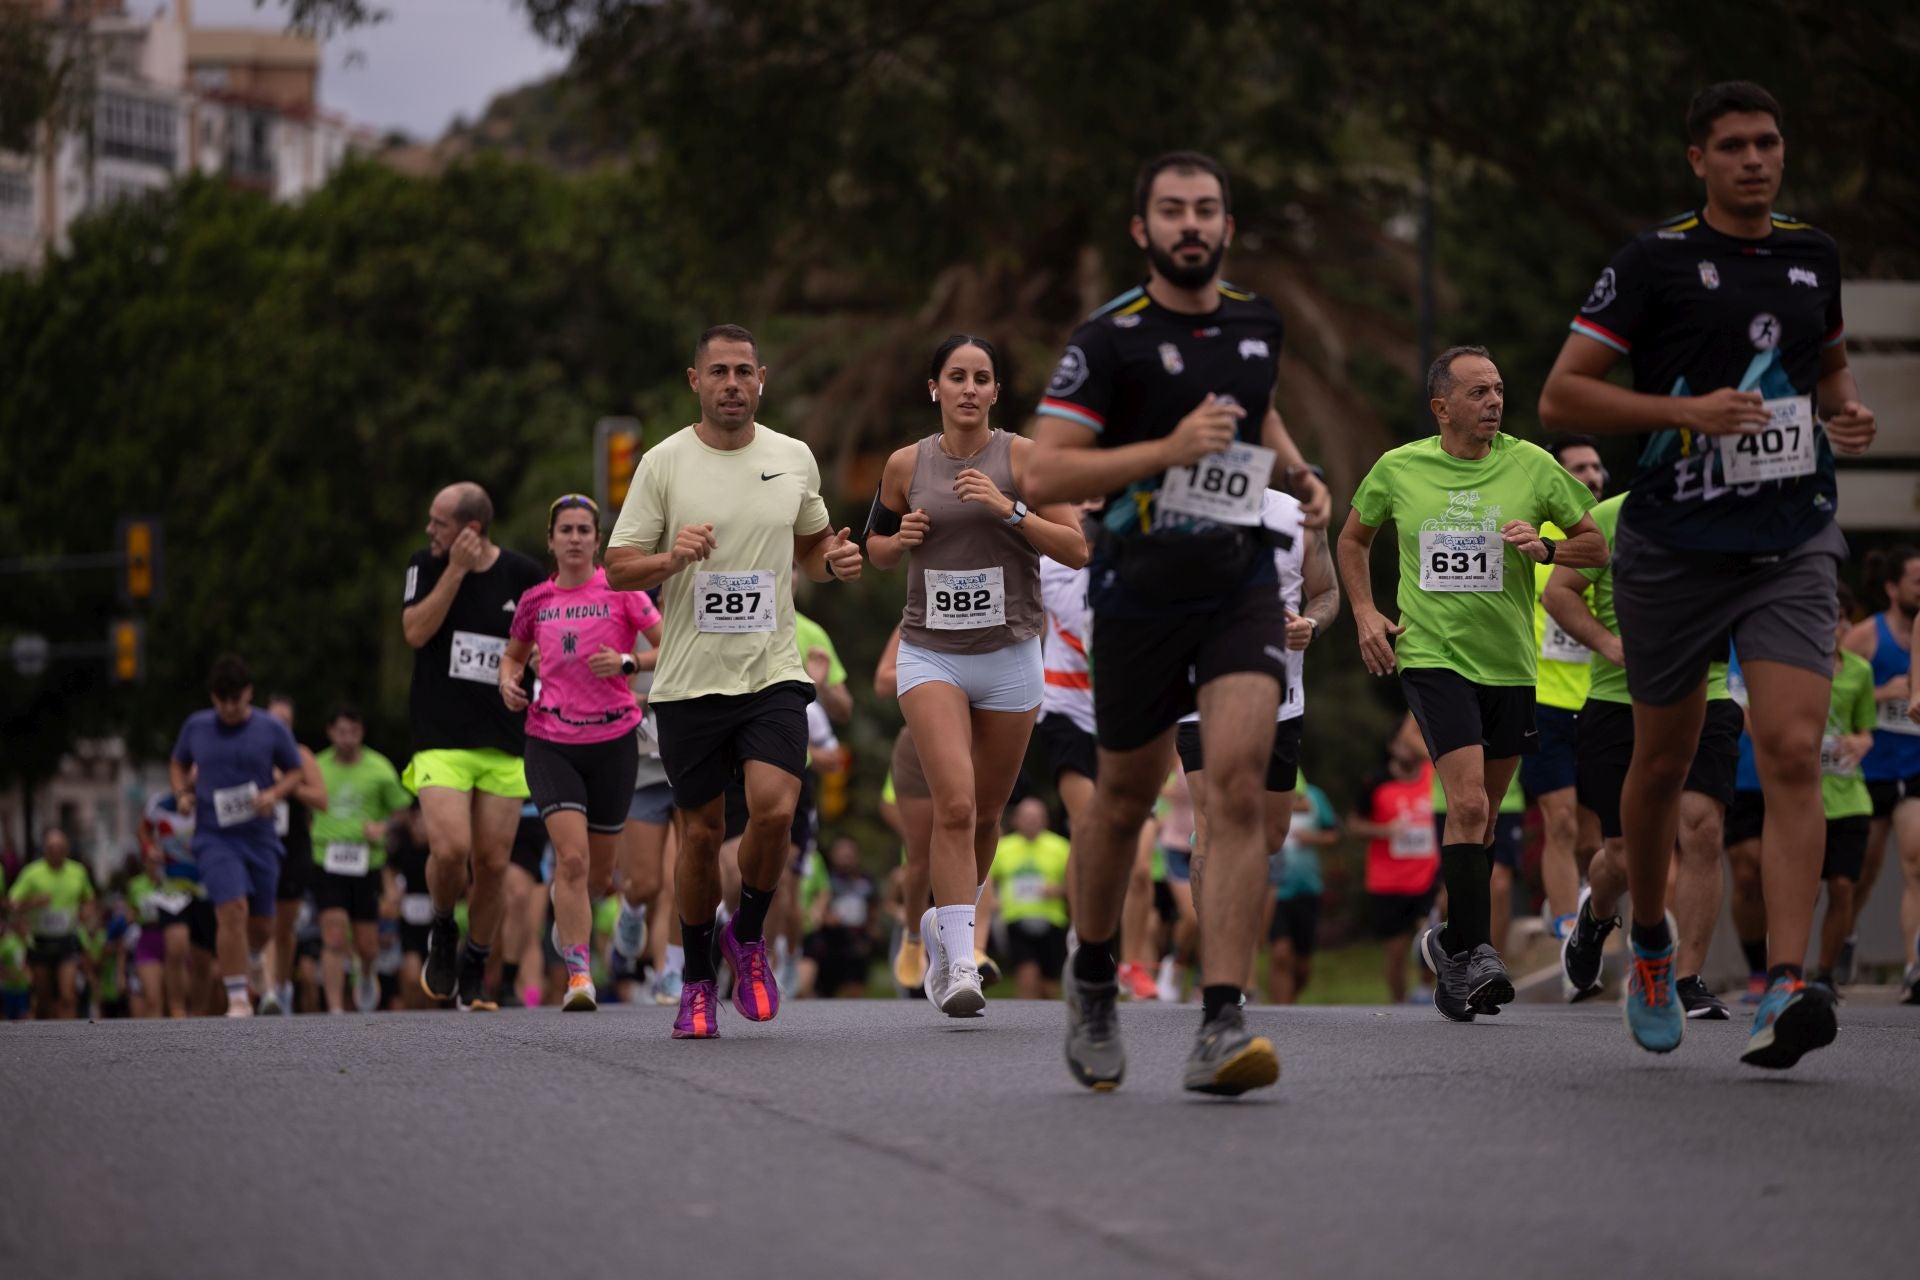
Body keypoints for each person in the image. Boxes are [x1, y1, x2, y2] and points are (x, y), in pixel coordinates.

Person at [1538, 81, 1877, 1066]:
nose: (1754, 160)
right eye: (1731, 146)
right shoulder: (1655, 261)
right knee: (1660, 767)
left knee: (1790, 747)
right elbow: (1566, 392)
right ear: (1698, 159)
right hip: (1675, 544)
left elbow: (1829, 367)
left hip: (1792, 535)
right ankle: (1650, 938)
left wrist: (1844, 411)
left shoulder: (1814, 255)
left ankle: (1784, 983)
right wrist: (1686, 417)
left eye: (1767, 142)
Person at [1024, 150, 1329, 1096]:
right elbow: (1043, 473)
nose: (1190, 224)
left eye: (1205, 209)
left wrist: (1298, 469)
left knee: (1235, 790)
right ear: (1142, 230)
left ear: (1228, 227)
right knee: (1121, 800)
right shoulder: (1107, 341)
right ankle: (1093, 976)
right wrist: (1165, 449)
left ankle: (1221, 1017)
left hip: (1239, 583)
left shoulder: (1255, 320)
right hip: (1138, 589)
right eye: (1171, 210)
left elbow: (1259, 412)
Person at [605, 323, 862, 1039]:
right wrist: (671, 559)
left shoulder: (793, 456)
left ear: (762, 379)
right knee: (701, 834)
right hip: (689, 680)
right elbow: (619, 562)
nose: (731, 384)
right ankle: (693, 979)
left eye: (743, 372)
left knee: (776, 810)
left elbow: (811, 548)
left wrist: (832, 562)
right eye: (717, 372)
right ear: (696, 382)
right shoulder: (662, 463)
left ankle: (746, 937)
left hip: (772, 670)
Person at [1340, 346, 1604, 1022]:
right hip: (1433, 658)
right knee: (1465, 807)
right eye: (1479, 392)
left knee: (1481, 817)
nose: (1494, 402)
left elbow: (1596, 548)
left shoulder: (1532, 467)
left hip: (1511, 666)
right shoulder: (1398, 468)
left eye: (1499, 390)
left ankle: (1450, 950)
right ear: (1442, 407)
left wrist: (1544, 548)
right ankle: (1479, 952)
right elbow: (1351, 539)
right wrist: (1368, 613)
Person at [865, 334, 1087, 1016]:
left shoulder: (1025, 459)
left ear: (996, 392)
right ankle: (961, 965)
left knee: (987, 812)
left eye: (981, 377)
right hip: (931, 651)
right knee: (954, 804)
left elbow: (1077, 548)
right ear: (934, 388)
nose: (968, 388)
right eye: (955, 376)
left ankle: (944, 922)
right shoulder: (906, 464)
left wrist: (1009, 508)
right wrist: (894, 542)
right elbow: (874, 547)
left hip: (1011, 654)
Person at [1546, 492, 1742, 1019]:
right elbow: (1559, 593)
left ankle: (1686, 979)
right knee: (1627, 854)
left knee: (1702, 829)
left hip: (1710, 692)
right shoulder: (1611, 518)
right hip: (1618, 703)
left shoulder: (1733, 519)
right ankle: (1596, 913)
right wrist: (1608, 644)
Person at [500, 493, 663, 1012]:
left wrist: (628, 661)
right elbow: (513, 656)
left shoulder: (622, 593)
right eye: (565, 530)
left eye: (583, 530)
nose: (574, 538)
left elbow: (670, 644)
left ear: (598, 540)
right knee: (571, 860)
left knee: (597, 876)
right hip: (551, 741)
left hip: (614, 742)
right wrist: (509, 682)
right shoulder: (535, 601)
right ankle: (578, 976)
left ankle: (569, 919)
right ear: (551, 540)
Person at [1173, 485, 1338, 989]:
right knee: (1216, 823)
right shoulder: (1176, 506)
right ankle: (1222, 972)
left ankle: (1225, 959)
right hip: (1199, 693)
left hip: (1278, 699)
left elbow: (1326, 593)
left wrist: (1310, 623)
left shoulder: (1297, 515)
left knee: (1268, 836)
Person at [401, 481, 547, 1011]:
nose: (429, 530)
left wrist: (532, 663)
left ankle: (475, 965)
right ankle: (443, 928)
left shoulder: (523, 575)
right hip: (441, 738)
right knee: (451, 849)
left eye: (438, 522)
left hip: (505, 741)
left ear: (471, 529)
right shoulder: (427, 564)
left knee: (492, 864)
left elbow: (542, 643)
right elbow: (415, 632)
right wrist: (456, 572)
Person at [169, 655, 307, 1017]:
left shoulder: (270, 729)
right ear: (213, 698)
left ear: (250, 693)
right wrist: (182, 793)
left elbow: (295, 771)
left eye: (237, 699)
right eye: (222, 700)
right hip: (215, 837)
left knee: (261, 924)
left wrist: (274, 795)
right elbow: (178, 762)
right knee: (232, 909)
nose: (229, 708)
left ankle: (253, 958)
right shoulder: (196, 727)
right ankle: (238, 998)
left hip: (260, 836)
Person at [1527, 436, 1608, 935]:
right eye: (1579, 468)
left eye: (1598, 466)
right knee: (1559, 823)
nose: (1593, 476)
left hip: (1600, 700)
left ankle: (1591, 916)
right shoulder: (1536, 537)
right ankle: (1563, 927)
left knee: (1593, 836)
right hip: (1542, 702)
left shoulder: (1614, 534)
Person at [1841, 546, 1920, 999]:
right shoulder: (1867, 636)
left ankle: (1913, 965)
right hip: (1872, 772)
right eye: (1915, 581)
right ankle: (1846, 933)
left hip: (1915, 766)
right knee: (1863, 872)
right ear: (1892, 588)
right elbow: (1834, 685)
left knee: (1916, 862)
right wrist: (1881, 690)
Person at [311, 706, 413, 1014]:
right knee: (333, 930)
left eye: (353, 732)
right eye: (341, 732)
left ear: (362, 733)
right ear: (330, 732)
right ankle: (334, 1007)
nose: (347, 739)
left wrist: (384, 827)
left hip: (366, 862)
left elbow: (402, 811)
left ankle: (366, 971)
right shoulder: (316, 766)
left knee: (368, 945)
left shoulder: (379, 768)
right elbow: (304, 801)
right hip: (326, 857)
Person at [1810, 588, 1876, 991]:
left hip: (1850, 796)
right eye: (1828, 617)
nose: (1836, 626)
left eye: (1842, 619)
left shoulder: (1860, 671)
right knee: (1803, 891)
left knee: (1842, 885)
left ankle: (1823, 975)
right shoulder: (1795, 669)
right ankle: (1785, 971)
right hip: (1805, 798)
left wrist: (1862, 742)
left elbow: (1865, 729)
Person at [1348, 722, 1439, 1005]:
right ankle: (1399, 1004)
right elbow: (1353, 825)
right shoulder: (1375, 782)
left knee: (1431, 939)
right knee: (1396, 949)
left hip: (1428, 876)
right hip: (1388, 880)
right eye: (1404, 742)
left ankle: (1427, 991)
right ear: (1392, 746)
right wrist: (1385, 831)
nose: (1410, 749)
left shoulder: (1433, 776)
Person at [264, 693, 326, 1015]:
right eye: (273, 721)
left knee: (283, 927)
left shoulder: (300, 756)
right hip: (259, 846)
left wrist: (288, 785)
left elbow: (322, 800)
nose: (279, 728)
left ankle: (282, 986)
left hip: (294, 848)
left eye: (285, 723)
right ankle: (268, 991)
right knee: (263, 920)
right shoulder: (252, 754)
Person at [991, 798, 1073, 999]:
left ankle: (1046, 1025)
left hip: (1052, 919)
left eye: (1036, 818)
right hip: (1015, 919)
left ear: (1045, 820)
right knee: (1027, 974)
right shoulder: (1002, 847)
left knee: (1049, 986)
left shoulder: (1061, 847)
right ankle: (1026, 1020)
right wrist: (992, 901)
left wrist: (1060, 890)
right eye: (1026, 818)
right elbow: (986, 880)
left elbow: (1077, 886)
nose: (1031, 822)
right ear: (1016, 820)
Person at [7, 830, 94, 1019]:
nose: (55, 851)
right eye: (51, 847)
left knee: (67, 994)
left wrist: (86, 911)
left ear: (66, 849)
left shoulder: (77, 872)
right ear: (44, 849)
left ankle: (70, 1037)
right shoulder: (32, 873)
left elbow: (88, 898)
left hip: (66, 939)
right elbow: (12, 903)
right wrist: (33, 902)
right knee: (44, 997)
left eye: (60, 847)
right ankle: (46, 1038)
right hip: (40, 941)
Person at [1266, 777, 1337, 1004]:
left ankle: (1289, 1004)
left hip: (1307, 887)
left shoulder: (1315, 796)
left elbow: (1333, 833)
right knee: (1280, 953)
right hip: (1274, 889)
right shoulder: (1267, 794)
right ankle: (1281, 1010)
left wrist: (1312, 838)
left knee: (1303, 966)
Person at [804, 835, 876, 998]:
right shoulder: (825, 878)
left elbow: (873, 907)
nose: (845, 857)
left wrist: (872, 929)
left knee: (855, 990)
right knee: (823, 992)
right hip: (829, 941)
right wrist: (825, 916)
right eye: (841, 853)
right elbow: (815, 901)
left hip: (857, 941)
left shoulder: (866, 880)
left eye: (849, 853)